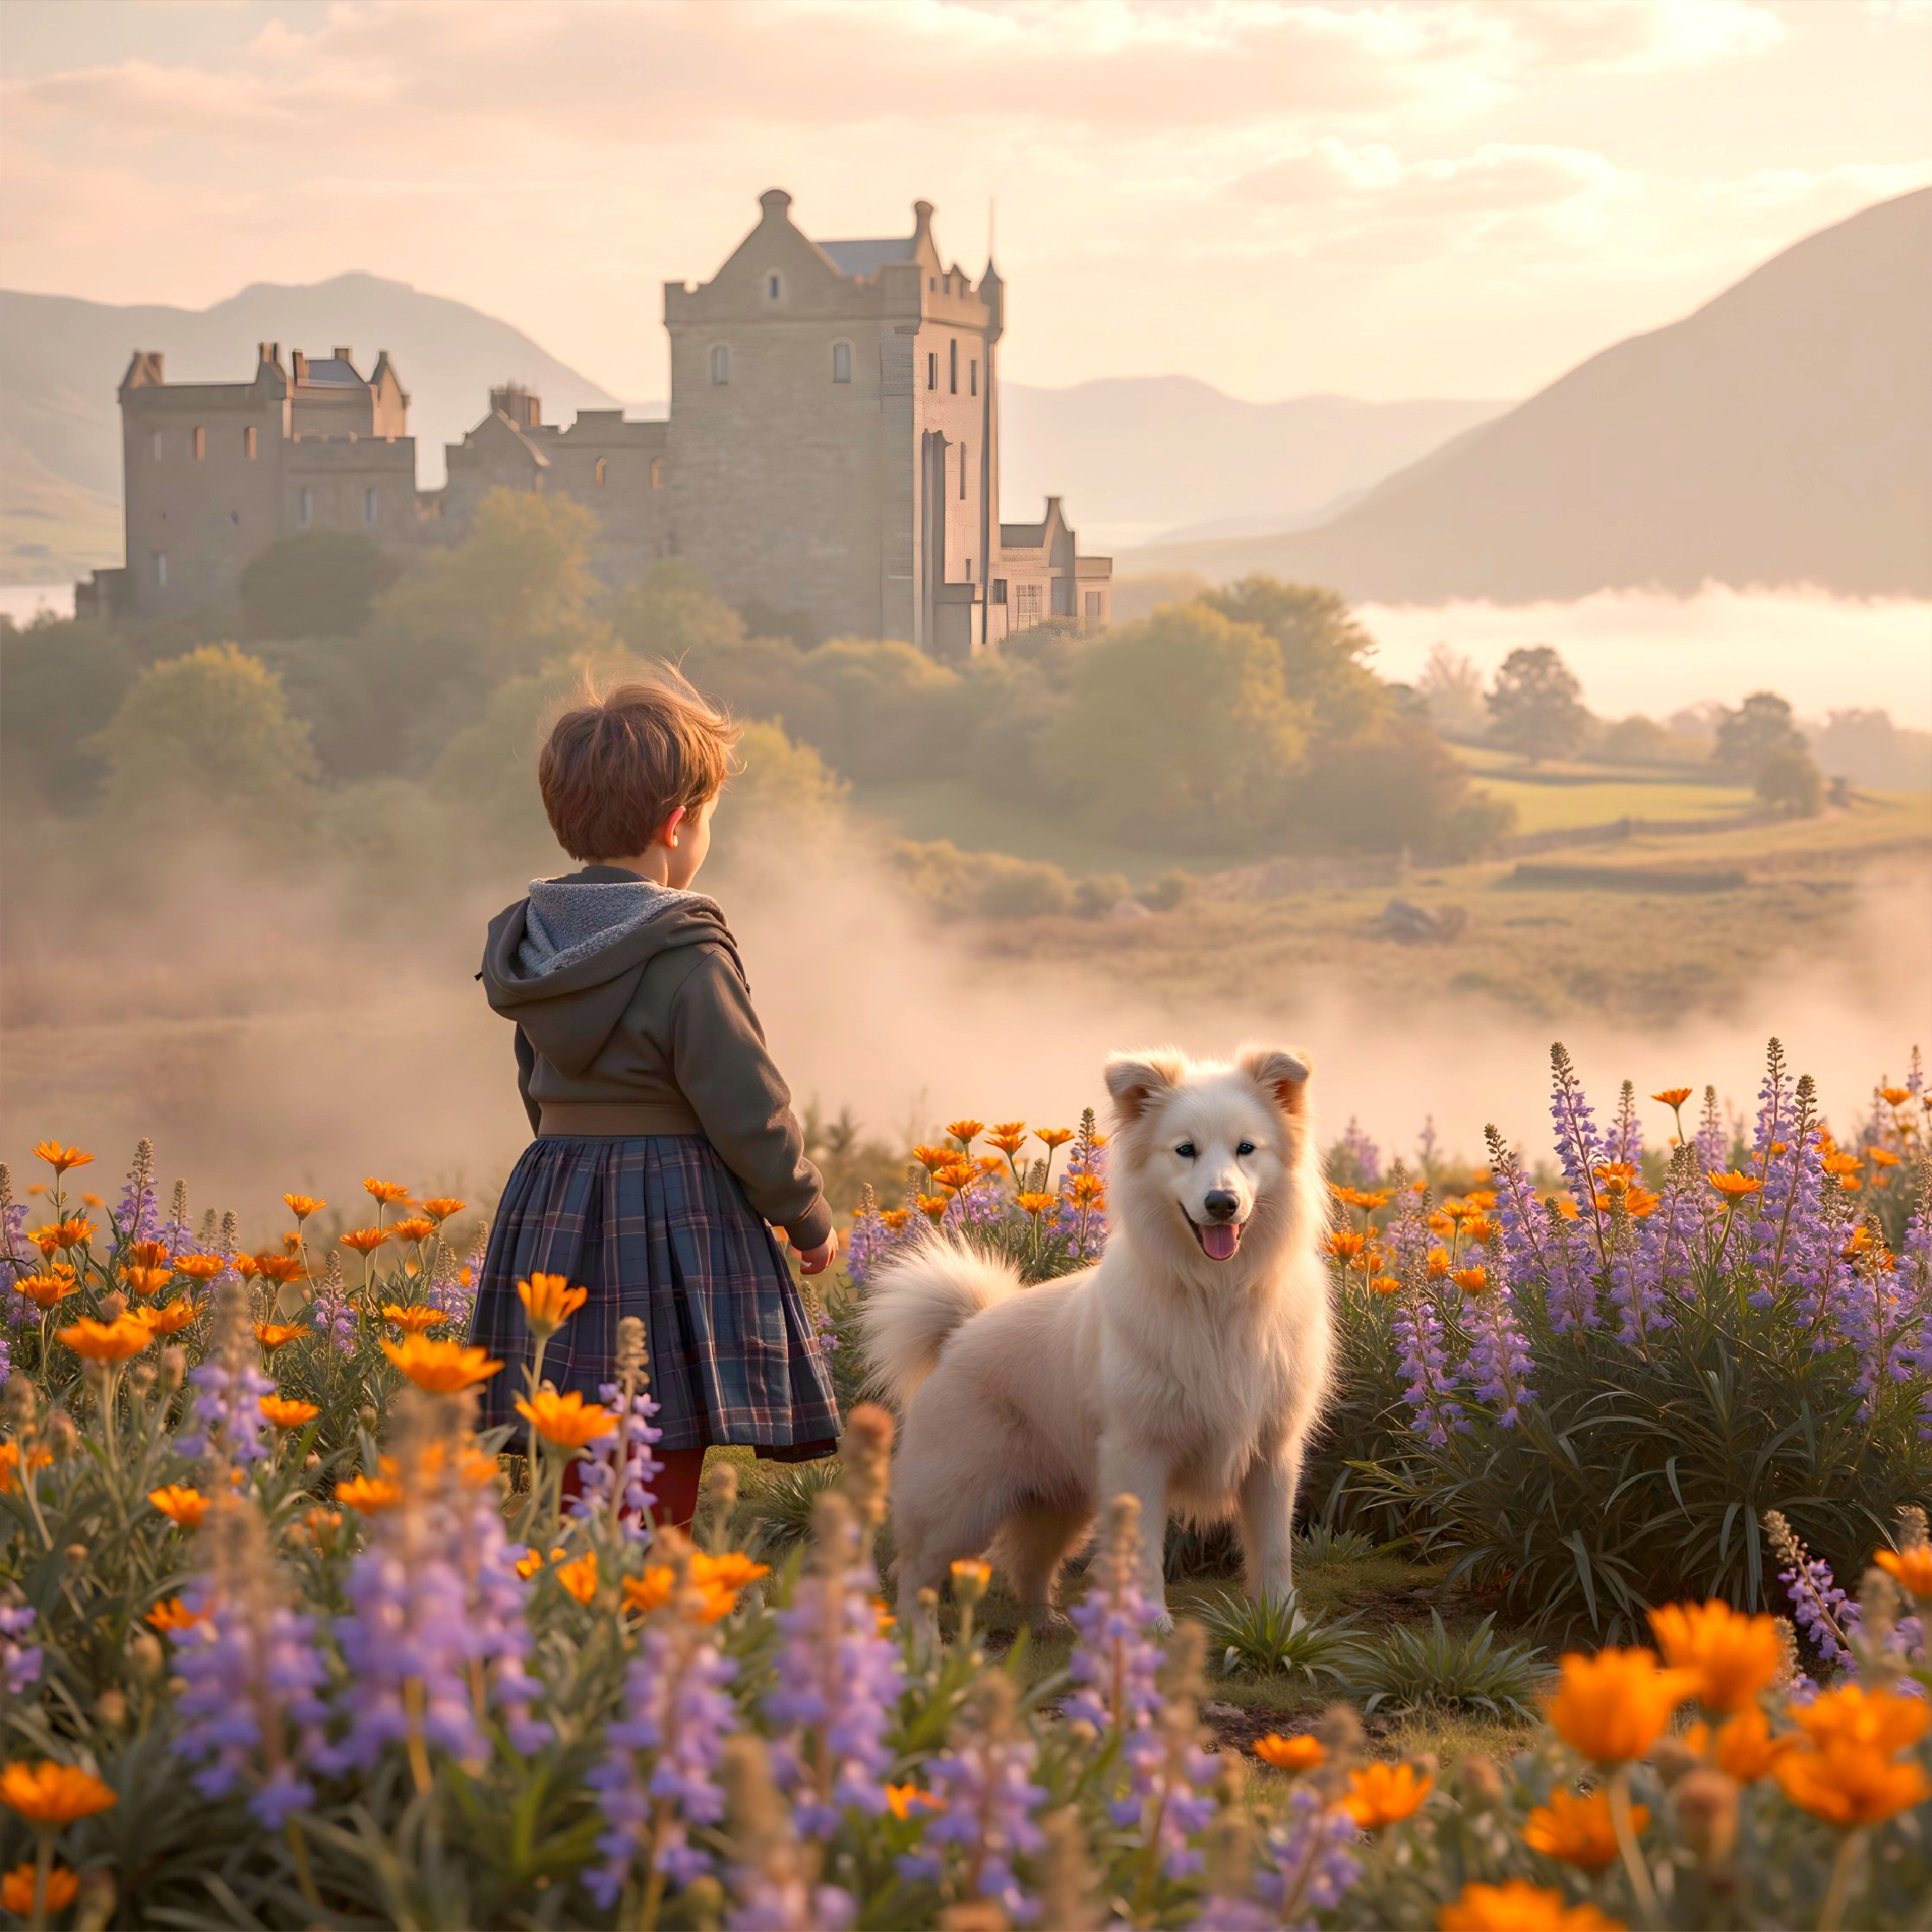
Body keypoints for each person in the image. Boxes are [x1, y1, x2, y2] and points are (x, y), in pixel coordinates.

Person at [470, 670, 839, 1527]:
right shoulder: (685, 946)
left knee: (569, 1414)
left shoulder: (532, 943)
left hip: (552, 1194)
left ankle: (576, 1589)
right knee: (659, 1418)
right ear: (678, 822)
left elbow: (540, 1083)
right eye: (705, 817)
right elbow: (747, 1103)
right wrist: (805, 1214)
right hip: (671, 1203)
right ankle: (635, 1605)